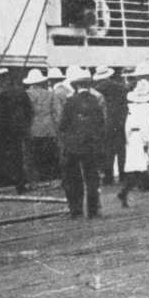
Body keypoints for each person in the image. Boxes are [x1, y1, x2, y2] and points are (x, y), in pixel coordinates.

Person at [57, 67, 106, 217]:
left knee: (73, 179)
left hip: (73, 146)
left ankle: (76, 211)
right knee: (92, 178)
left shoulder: (70, 102)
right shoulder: (95, 101)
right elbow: (102, 124)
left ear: (76, 85)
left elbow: (62, 125)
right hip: (91, 145)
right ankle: (93, 211)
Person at [120, 76, 149, 206]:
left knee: (137, 168)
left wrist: (128, 140)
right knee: (144, 167)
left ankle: (129, 193)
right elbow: (146, 125)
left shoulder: (131, 108)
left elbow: (127, 126)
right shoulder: (147, 108)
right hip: (143, 138)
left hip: (133, 138)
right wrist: (146, 142)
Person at [0, 68, 33, 194]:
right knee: (17, 157)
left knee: (2, 158)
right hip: (18, 130)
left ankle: (4, 184)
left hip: (3, 131)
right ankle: (20, 185)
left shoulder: (0, 96)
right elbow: (29, 111)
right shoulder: (21, 93)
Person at [24, 68, 60, 183]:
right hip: (49, 128)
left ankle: (36, 180)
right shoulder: (50, 94)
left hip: (33, 127)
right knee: (49, 155)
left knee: (34, 155)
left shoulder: (26, 95)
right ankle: (50, 178)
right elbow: (57, 112)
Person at [94, 66, 128, 185]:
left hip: (106, 122)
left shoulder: (97, 89)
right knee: (121, 150)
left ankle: (108, 177)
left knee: (108, 150)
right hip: (120, 121)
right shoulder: (121, 87)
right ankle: (123, 175)